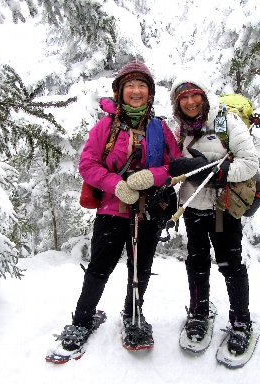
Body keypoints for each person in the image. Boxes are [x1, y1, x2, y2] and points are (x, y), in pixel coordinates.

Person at [51, 60, 181, 358]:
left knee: (141, 269)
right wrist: (115, 184)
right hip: (112, 211)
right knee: (99, 268)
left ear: (150, 92)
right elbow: (88, 164)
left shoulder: (160, 128)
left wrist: (154, 176)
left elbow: (174, 166)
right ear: (120, 92)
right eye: (130, 86)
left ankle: (133, 315)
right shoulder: (105, 127)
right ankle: (82, 320)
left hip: (148, 212)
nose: (136, 91)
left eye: (142, 86)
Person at [168, 72, 259, 355]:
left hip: (221, 208)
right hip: (192, 207)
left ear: (205, 96)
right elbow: (169, 163)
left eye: (196, 95)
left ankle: (241, 321)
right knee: (196, 261)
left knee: (229, 263)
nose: (191, 102)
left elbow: (250, 164)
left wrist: (218, 173)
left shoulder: (224, 122)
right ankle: (198, 313)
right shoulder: (178, 129)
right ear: (177, 103)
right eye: (184, 98)